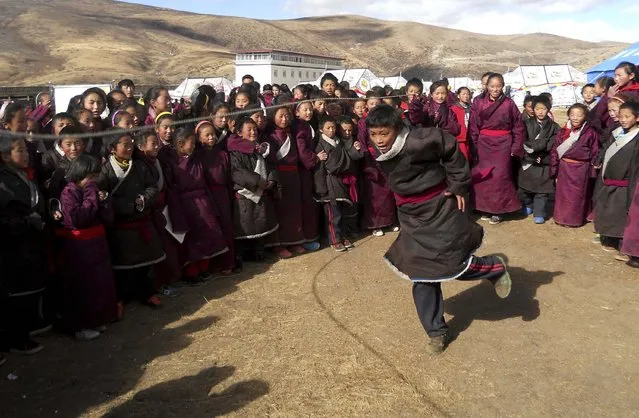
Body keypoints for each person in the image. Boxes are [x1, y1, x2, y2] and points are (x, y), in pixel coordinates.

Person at [364, 104, 512, 354]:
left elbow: (451, 148)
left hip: (440, 207)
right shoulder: (380, 148)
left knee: (449, 263)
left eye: (384, 133)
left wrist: (458, 185)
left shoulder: (420, 140)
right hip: (412, 217)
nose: (379, 140)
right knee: (422, 273)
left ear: (398, 129)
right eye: (374, 134)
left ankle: (493, 267)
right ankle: (436, 331)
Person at [101, 131, 165, 313]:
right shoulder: (105, 170)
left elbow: (152, 187)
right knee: (123, 267)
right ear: (113, 149)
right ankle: (120, 299)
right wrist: (128, 206)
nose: (129, 148)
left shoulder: (139, 166)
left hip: (141, 220)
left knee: (147, 263)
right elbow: (103, 197)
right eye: (124, 144)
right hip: (121, 226)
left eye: (131, 144)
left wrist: (144, 199)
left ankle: (148, 293)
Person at [158, 126, 229, 284]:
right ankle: (191, 272)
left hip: (202, 200)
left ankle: (203, 268)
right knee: (190, 240)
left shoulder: (196, 157)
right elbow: (171, 185)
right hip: (184, 204)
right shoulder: (170, 161)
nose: (194, 145)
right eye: (191, 142)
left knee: (207, 234)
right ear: (180, 143)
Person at [58, 154, 117, 341]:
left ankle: (99, 318)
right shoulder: (69, 192)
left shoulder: (93, 189)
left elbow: (107, 218)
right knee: (84, 285)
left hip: (97, 243)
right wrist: (92, 196)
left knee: (100, 283)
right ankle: (81, 325)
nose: (93, 181)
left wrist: (104, 200)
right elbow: (78, 218)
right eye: (90, 177)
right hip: (80, 246)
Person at [0, 135, 48, 355]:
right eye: (20, 150)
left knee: (31, 288)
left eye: (26, 150)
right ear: (4, 155)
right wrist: (25, 221)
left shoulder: (23, 176)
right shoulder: (4, 182)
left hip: (32, 243)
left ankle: (25, 331)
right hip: (15, 246)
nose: (26, 154)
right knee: (17, 292)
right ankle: (16, 338)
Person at [468, 73, 525, 224]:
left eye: (498, 86)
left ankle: (499, 210)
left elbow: (518, 127)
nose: (495, 89)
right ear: (487, 87)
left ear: (503, 86)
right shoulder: (478, 102)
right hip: (484, 143)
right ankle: (484, 208)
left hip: (503, 144)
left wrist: (516, 147)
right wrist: (473, 145)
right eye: (492, 86)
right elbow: (473, 125)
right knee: (483, 176)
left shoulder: (509, 104)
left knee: (500, 177)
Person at [133, 130, 182, 296]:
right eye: (152, 143)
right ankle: (159, 284)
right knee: (157, 249)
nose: (157, 146)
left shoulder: (156, 161)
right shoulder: (139, 165)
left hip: (162, 208)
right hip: (151, 210)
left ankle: (169, 280)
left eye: (157, 143)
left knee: (168, 246)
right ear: (140, 147)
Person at [228, 117, 279, 262]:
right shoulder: (235, 152)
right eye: (249, 130)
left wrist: (271, 180)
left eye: (254, 129)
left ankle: (259, 251)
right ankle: (242, 254)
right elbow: (237, 172)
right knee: (245, 223)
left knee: (261, 221)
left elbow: (271, 164)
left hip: (262, 190)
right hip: (245, 193)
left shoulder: (260, 148)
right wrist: (258, 182)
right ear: (239, 132)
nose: (253, 132)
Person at [594, 102, 639, 259]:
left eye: (628, 117)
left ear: (637, 118)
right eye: (621, 116)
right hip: (609, 179)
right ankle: (609, 237)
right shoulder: (616, 132)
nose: (624, 120)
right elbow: (605, 148)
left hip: (625, 183)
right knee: (608, 210)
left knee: (620, 214)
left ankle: (622, 245)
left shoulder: (636, 138)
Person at [313, 115, 363, 251]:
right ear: (321, 130)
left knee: (342, 212)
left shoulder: (338, 141)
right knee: (333, 214)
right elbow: (332, 165)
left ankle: (343, 236)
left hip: (340, 181)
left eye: (333, 127)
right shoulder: (320, 145)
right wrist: (350, 153)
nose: (331, 130)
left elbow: (347, 159)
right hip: (329, 183)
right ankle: (334, 240)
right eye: (328, 128)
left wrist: (353, 150)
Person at [195, 120, 238, 275]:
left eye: (213, 134)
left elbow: (227, 176)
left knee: (226, 228)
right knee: (212, 229)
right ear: (199, 138)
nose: (211, 138)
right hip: (206, 196)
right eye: (207, 135)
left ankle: (228, 263)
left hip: (222, 194)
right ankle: (212, 265)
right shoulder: (197, 156)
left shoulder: (222, 154)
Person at [265, 106, 307, 258]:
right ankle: (278, 245)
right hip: (280, 175)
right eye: (281, 116)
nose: (285, 119)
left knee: (294, 210)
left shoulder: (294, 131)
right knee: (280, 211)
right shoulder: (270, 135)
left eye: (287, 115)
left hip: (294, 175)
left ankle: (294, 240)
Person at [550, 104, 600, 227]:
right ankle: (561, 218)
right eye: (572, 115)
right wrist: (554, 167)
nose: (575, 118)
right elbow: (555, 149)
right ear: (568, 116)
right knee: (563, 194)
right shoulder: (563, 131)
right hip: (564, 167)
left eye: (579, 115)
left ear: (585, 116)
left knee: (577, 195)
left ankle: (573, 220)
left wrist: (592, 169)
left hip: (580, 168)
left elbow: (595, 151)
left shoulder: (590, 133)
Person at [518, 95, 560, 224]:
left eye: (544, 109)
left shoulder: (554, 127)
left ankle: (539, 212)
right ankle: (529, 205)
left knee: (542, 190)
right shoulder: (526, 124)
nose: (540, 112)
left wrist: (541, 154)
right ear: (533, 110)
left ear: (548, 109)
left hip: (544, 162)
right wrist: (532, 152)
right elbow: (522, 141)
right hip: (528, 160)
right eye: (537, 109)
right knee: (526, 188)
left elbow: (553, 144)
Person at [451, 87, 471, 159]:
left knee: (469, 156)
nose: (466, 96)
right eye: (463, 94)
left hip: (469, 137)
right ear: (458, 96)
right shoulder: (454, 108)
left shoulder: (471, 108)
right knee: (463, 157)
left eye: (468, 94)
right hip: (460, 137)